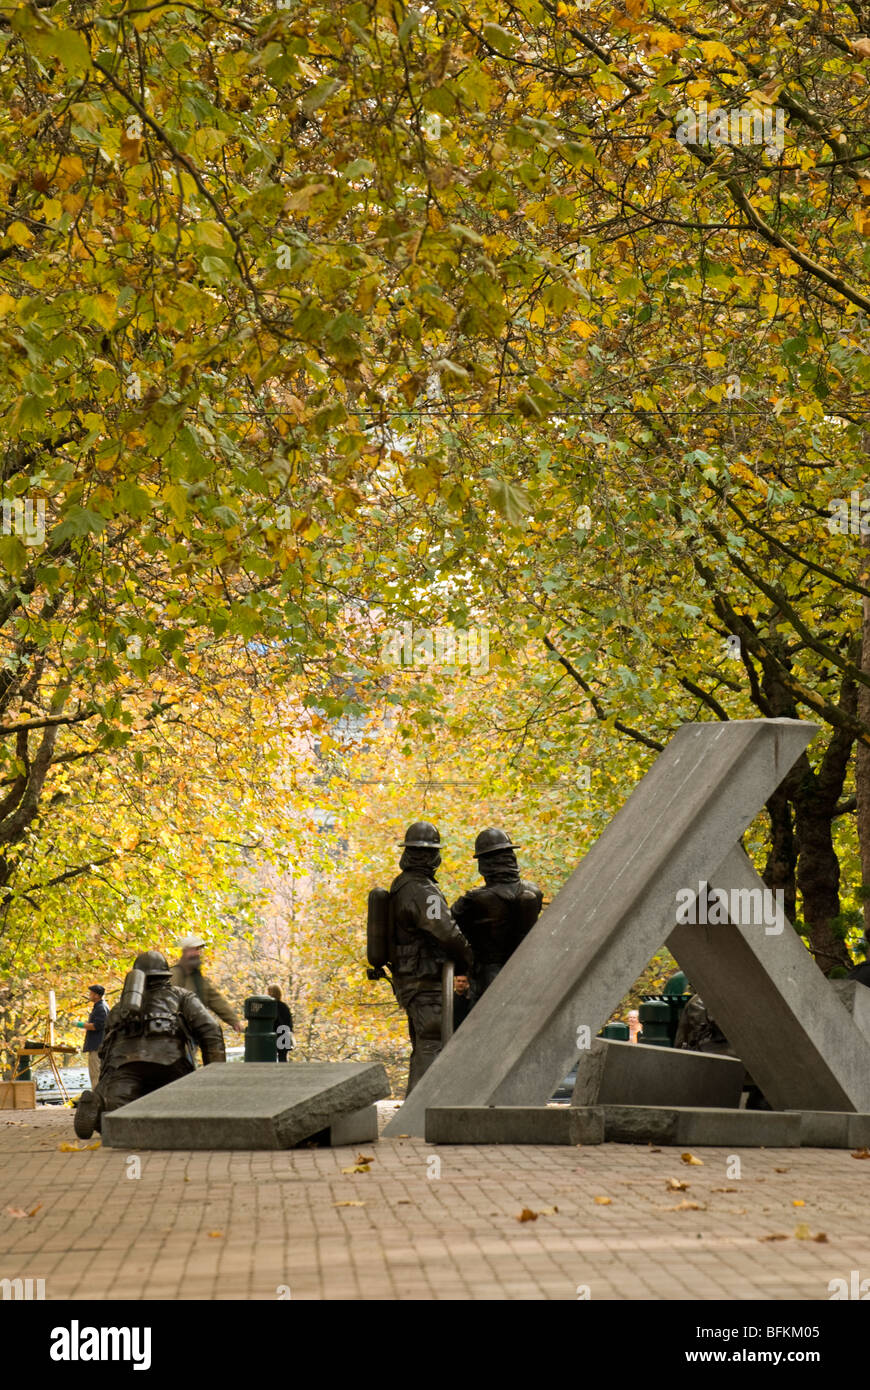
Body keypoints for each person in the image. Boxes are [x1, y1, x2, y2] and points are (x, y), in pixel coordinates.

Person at [74, 950, 225, 1139]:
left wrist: (103, 1087)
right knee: (179, 1111)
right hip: (170, 1064)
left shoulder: (120, 1007)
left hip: (125, 1065)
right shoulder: (182, 997)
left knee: (115, 1114)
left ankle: (102, 1107)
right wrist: (216, 1076)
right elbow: (210, 1030)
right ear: (165, 975)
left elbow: (106, 1049)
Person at [389, 821, 473, 1094]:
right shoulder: (422, 891)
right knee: (432, 1042)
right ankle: (422, 1110)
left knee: (425, 1042)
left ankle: (417, 1108)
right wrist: (468, 961)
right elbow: (446, 933)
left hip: (412, 980)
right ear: (432, 857)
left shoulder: (403, 886)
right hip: (423, 981)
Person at [451, 828, 543, 997]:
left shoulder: (473, 900)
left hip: (490, 978)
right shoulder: (535, 891)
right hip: (530, 974)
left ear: (484, 865)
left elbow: (448, 929)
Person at [170, 935, 242, 1035]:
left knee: (214, 1035)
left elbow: (215, 1000)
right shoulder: (174, 974)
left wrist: (234, 1021)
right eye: (193, 949)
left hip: (193, 1031)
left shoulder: (198, 979)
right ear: (185, 952)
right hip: (174, 1031)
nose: (196, 953)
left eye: (197, 950)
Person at [75, 985, 108, 1089]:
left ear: (97, 995)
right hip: (98, 1045)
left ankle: (97, 1098)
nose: (89, 995)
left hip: (97, 1046)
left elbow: (96, 1026)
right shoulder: (100, 1007)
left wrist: (80, 1024)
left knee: (95, 1074)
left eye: (91, 993)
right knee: (96, 1073)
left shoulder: (101, 1008)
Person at [267, 984, 294, 1061]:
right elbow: (289, 1023)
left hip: (272, 1036)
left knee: (269, 1058)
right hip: (284, 1035)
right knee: (283, 1058)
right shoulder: (284, 1006)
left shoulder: (268, 1007)